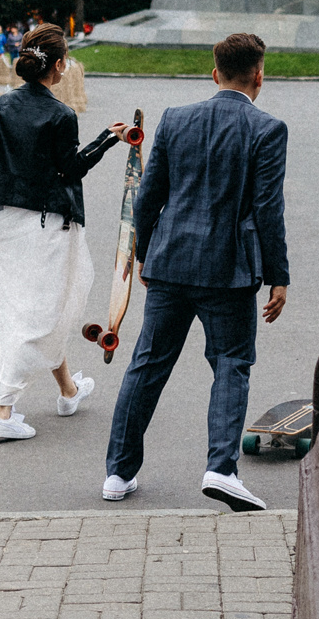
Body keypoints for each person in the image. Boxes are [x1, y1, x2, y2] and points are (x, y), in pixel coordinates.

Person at [101, 32, 289, 512]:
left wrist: (146, 255)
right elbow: (268, 209)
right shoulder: (268, 129)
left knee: (147, 364)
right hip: (229, 270)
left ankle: (118, 473)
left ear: (214, 73)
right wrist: (278, 276)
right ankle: (221, 469)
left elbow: (148, 196)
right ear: (259, 76)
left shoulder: (175, 118)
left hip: (170, 261)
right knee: (231, 363)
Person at [0, 24, 126, 442]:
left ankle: (68, 391)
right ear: (58, 66)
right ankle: (3, 410)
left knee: (34, 308)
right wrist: (106, 140)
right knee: (35, 316)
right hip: (45, 225)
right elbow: (72, 169)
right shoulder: (61, 115)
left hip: (0, 221)